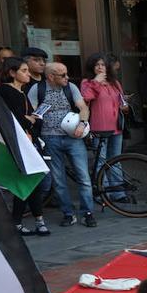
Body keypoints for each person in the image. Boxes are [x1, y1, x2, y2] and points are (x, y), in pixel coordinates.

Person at [28, 61, 94, 228]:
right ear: (50, 76)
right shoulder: (38, 89)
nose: (67, 77)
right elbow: (32, 112)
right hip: (49, 138)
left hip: (73, 137)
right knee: (58, 180)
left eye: (66, 73)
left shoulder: (70, 87)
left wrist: (82, 123)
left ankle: (87, 212)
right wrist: (32, 119)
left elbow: (83, 107)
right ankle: (68, 213)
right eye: (63, 75)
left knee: (83, 177)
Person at [0, 57, 51, 236]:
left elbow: (26, 119)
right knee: (28, 181)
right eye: (24, 70)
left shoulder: (20, 92)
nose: (28, 74)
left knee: (32, 181)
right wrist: (30, 120)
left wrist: (31, 120)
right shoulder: (7, 91)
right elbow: (18, 120)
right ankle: (29, 221)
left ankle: (31, 221)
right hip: (18, 143)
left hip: (29, 142)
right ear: (12, 73)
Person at [80, 52, 130, 203]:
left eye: (103, 64)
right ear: (92, 67)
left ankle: (118, 193)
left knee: (116, 159)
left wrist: (125, 105)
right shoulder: (87, 82)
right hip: (99, 127)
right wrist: (96, 82)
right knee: (100, 161)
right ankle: (102, 193)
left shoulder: (114, 82)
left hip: (116, 126)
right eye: (97, 65)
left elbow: (121, 101)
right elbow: (85, 99)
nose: (100, 67)